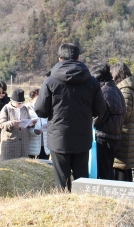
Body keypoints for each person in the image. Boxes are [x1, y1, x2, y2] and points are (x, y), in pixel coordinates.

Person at [34, 43, 106, 191]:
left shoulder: (50, 81)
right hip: (82, 137)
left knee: (62, 183)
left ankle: (64, 202)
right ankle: (82, 204)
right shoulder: (92, 81)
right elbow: (100, 109)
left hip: (59, 138)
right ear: (78, 58)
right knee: (82, 180)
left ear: (60, 58)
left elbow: (41, 111)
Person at [89, 63, 125, 180]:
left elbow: (98, 117)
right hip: (114, 136)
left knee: (103, 172)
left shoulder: (104, 92)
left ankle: (103, 191)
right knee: (108, 170)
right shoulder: (116, 90)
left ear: (100, 79)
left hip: (104, 138)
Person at [111, 62, 134, 182]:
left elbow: (123, 114)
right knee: (125, 171)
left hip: (124, 135)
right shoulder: (131, 89)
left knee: (121, 171)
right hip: (130, 134)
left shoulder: (125, 90)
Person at [0, 88, 35, 161]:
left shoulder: (25, 108)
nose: (20, 105)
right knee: (9, 163)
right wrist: (11, 123)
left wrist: (31, 123)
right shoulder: (6, 109)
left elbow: (28, 120)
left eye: (22, 103)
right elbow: (1, 124)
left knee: (22, 163)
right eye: (18, 103)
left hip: (23, 142)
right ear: (12, 101)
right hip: (10, 141)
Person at [26, 89, 44, 159]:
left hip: (44, 145)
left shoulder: (45, 109)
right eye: (37, 99)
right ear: (31, 99)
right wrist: (34, 130)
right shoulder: (26, 110)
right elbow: (24, 127)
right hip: (32, 145)